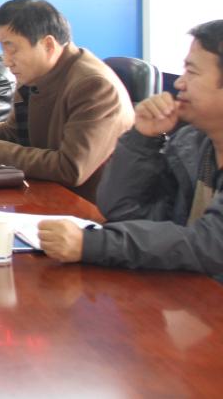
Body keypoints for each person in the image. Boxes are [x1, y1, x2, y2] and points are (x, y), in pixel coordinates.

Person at [39, 21, 223, 281]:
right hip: (191, 290)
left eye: (192, 72)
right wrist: (142, 138)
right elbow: (124, 211)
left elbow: (211, 244)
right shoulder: (191, 145)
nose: (180, 83)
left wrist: (93, 245)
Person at [0, 0, 133, 201]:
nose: (6, 61)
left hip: (86, 208)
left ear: (48, 45)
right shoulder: (36, 73)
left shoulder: (94, 86)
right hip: (44, 192)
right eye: (3, 48)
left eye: (12, 49)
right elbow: (15, 134)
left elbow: (71, 167)